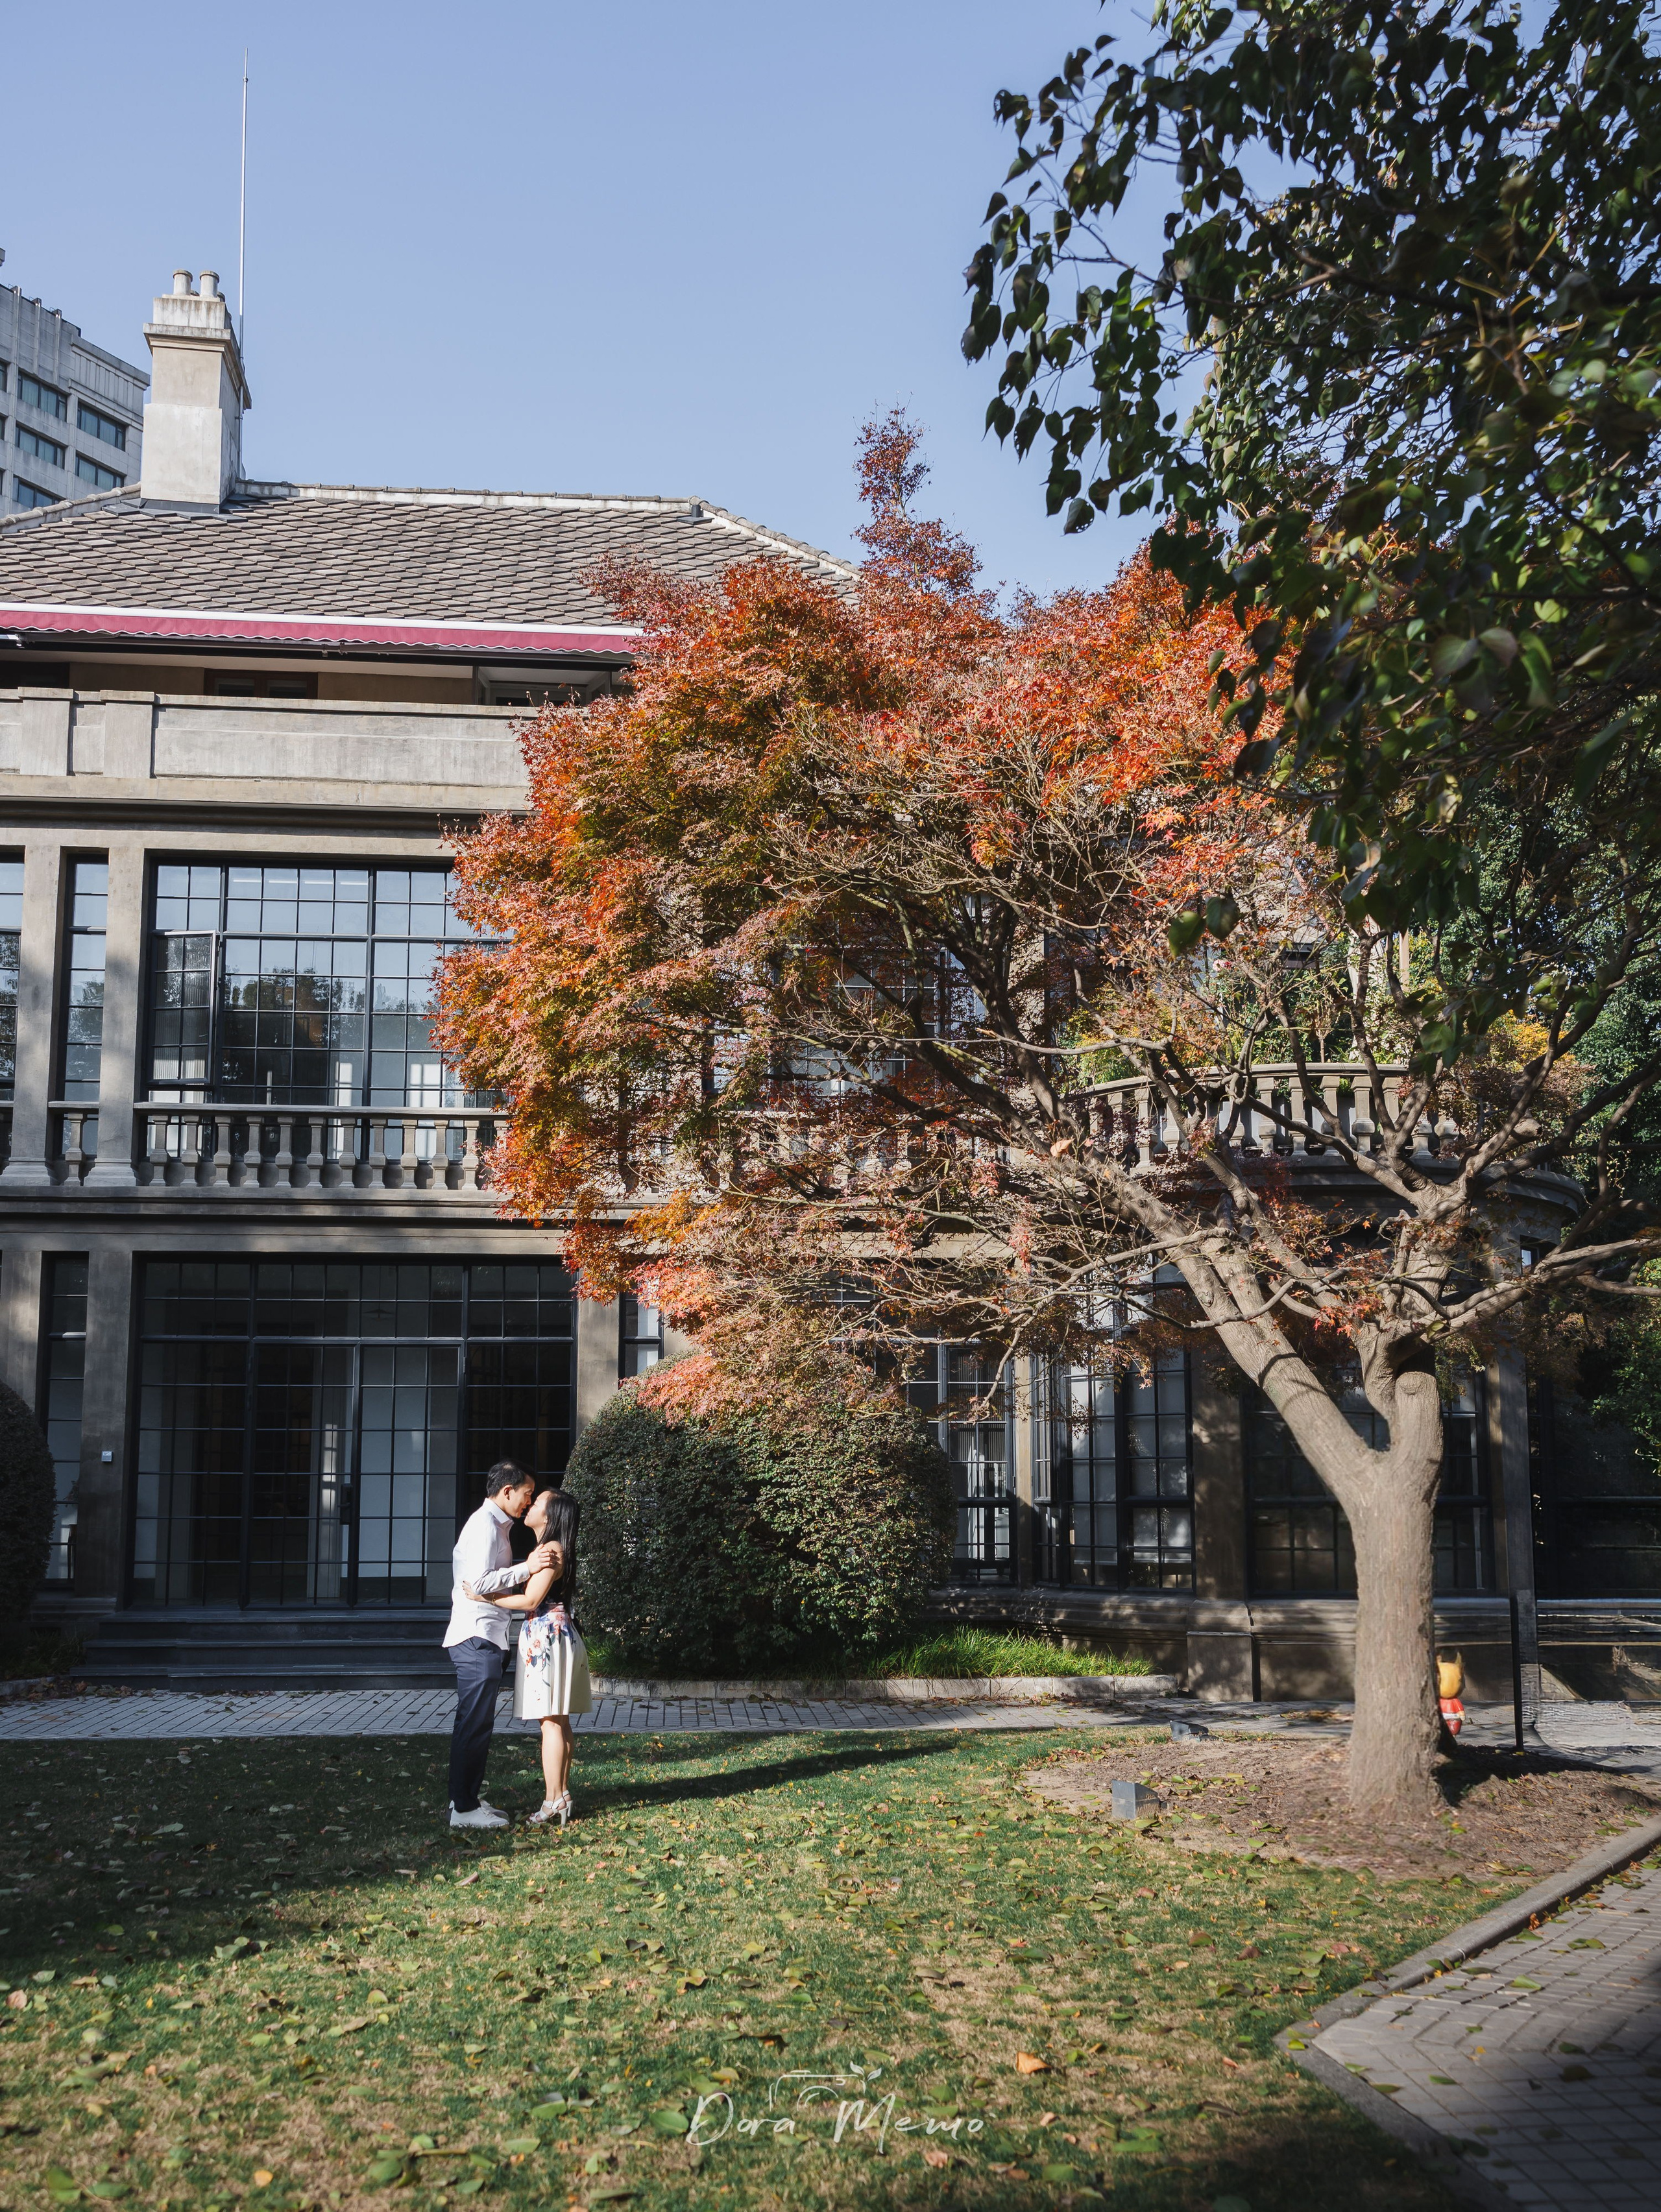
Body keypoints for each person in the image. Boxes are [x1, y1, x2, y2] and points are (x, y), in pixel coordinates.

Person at [443, 1460, 557, 1829]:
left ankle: (468, 1799)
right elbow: (478, 1582)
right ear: (507, 1491)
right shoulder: (484, 1526)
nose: (528, 1502)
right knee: (473, 1724)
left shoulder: (497, 1526)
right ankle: (463, 1809)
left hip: (486, 1636)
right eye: (527, 1494)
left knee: (477, 1723)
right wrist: (529, 1567)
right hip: (476, 1636)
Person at [469, 1485, 591, 1825]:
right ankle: (561, 1795)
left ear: (550, 1516)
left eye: (537, 1502)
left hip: (547, 1636)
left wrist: (484, 1598)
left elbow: (530, 1601)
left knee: (550, 1722)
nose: (530, 1505)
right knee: (559, 1721)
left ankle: (553, 1800)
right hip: (554, 1632)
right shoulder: (548, 1547)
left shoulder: (551, 1548)